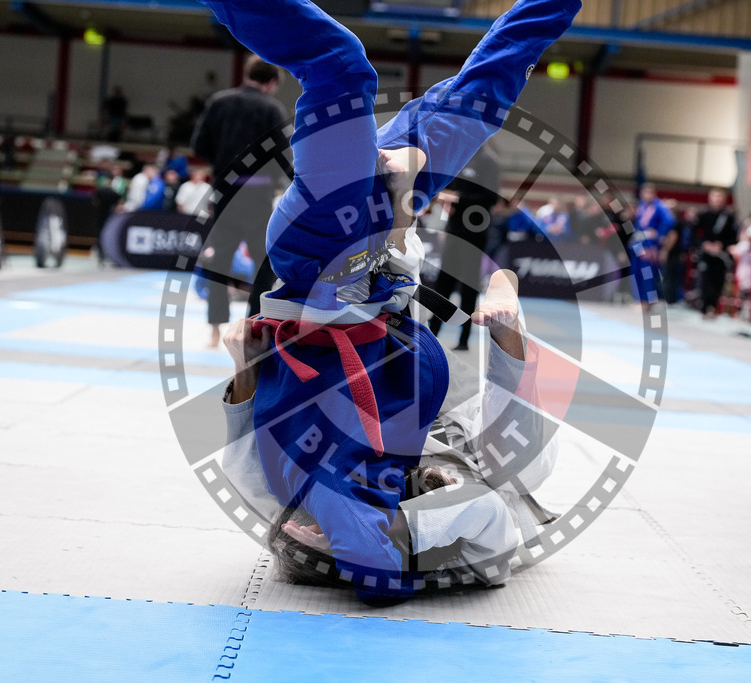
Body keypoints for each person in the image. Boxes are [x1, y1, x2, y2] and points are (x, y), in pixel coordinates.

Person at [197, 0, 581, 603]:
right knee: (483, 94)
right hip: (377, 272)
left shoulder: (326, 488)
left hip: (328, 260)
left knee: (342, 70)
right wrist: (507, 326)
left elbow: (251, 477)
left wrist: (244, 379)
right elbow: (521, 425)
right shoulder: (494, 489)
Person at [222, 269, 558, 593]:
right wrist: (384, 524)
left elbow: (242, 468)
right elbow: (488, 511)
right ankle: (507, 329)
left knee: (274, 467)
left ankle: (361, 271)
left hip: (383, 408)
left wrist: (245, 364)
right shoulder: (455, 563)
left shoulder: (305, 510)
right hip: (462, 430)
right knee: (517, 469)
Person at [192, 54, 287, 337]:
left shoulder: (219, 102)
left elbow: (199, 146)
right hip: (257, 192)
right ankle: (253, 326)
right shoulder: (272, 109)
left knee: (219, 258)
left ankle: (214, 327)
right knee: (262, 262)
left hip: (225, 188)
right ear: (270, 83)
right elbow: (282, 155)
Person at [427, 145, 501, 351]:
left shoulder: (488, 161)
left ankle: (464, 338)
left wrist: (456, 198)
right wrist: (447, 201)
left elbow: (491, 198)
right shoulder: (461, 155)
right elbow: (449, 190)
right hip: (454, 232)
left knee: (468, 286)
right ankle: (431, 334)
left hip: (474, 235)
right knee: (443, 284)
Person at [691, 188, 737, 318]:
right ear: (710, 199)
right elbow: (694, 234)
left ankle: (713, 307)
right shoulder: (703, 215)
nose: (717, 200)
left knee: (718, 281)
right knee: (704, 280)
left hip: (720, 256)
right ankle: (704, 307)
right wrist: (704, 244)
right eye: (715, 197)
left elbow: (733, 237)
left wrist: (722, 245)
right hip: (705, 255)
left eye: (720, 198)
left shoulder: (728, 217)